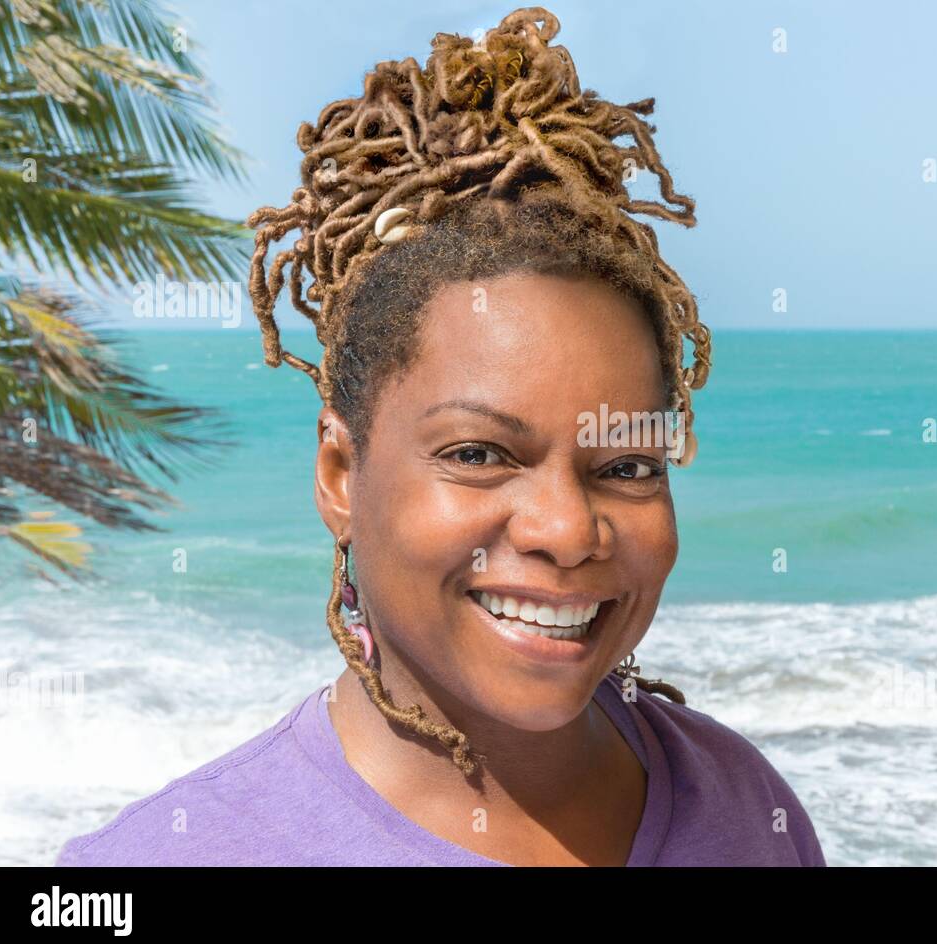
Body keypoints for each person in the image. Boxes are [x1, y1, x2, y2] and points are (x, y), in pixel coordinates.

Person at [55, 6, 826, 866]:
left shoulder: (743, 810)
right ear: (341, 474)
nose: (567, 532)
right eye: (478, 455)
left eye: (627, 463)